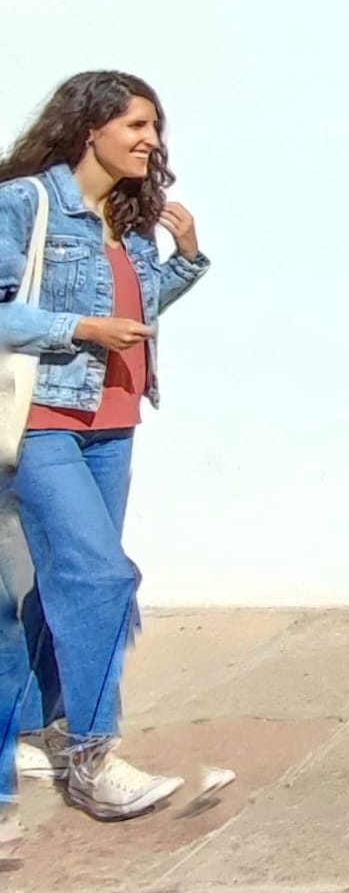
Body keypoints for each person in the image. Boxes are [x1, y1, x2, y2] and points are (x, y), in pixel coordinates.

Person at [0, 72, 210, 821]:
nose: (150, 140)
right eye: (136, 125)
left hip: (113, 423)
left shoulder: (126, 218)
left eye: (155, 127)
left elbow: (136, 310)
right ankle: (94, 754)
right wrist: (77, 331)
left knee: (61, 584)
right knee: (98, 577)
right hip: (46, 419)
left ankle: (35, 726)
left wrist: (184, 258)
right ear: (90, 127)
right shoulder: (29, 202)